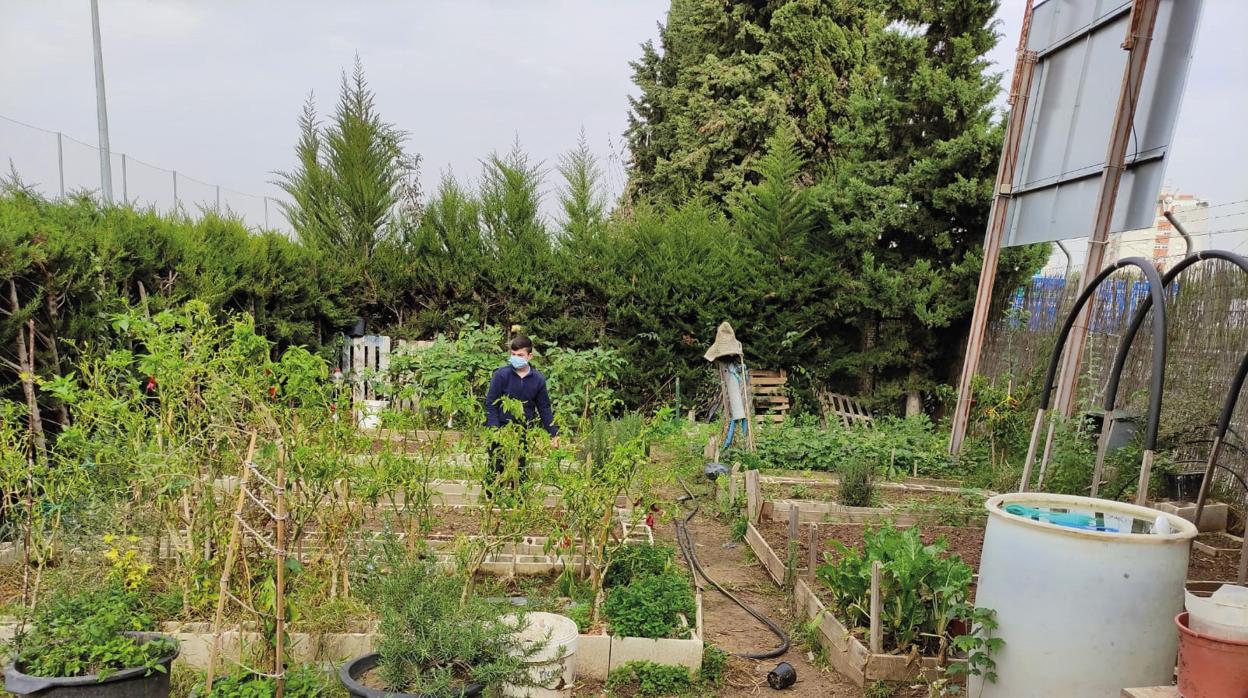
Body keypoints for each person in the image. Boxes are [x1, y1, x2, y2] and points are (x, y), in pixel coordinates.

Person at [484, 335, 559, 486]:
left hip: (523, 431)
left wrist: (553, 433)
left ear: (529, 356)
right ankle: (491, 502)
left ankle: (517, 503)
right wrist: (494, 429)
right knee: (495, 469)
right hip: (501, 430)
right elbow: (491, 404)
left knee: (520, 470)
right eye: (513, 354)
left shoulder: (538, 379)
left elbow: (544, 408)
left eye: (520, 355)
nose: (516, 358)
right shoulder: (501, 375)